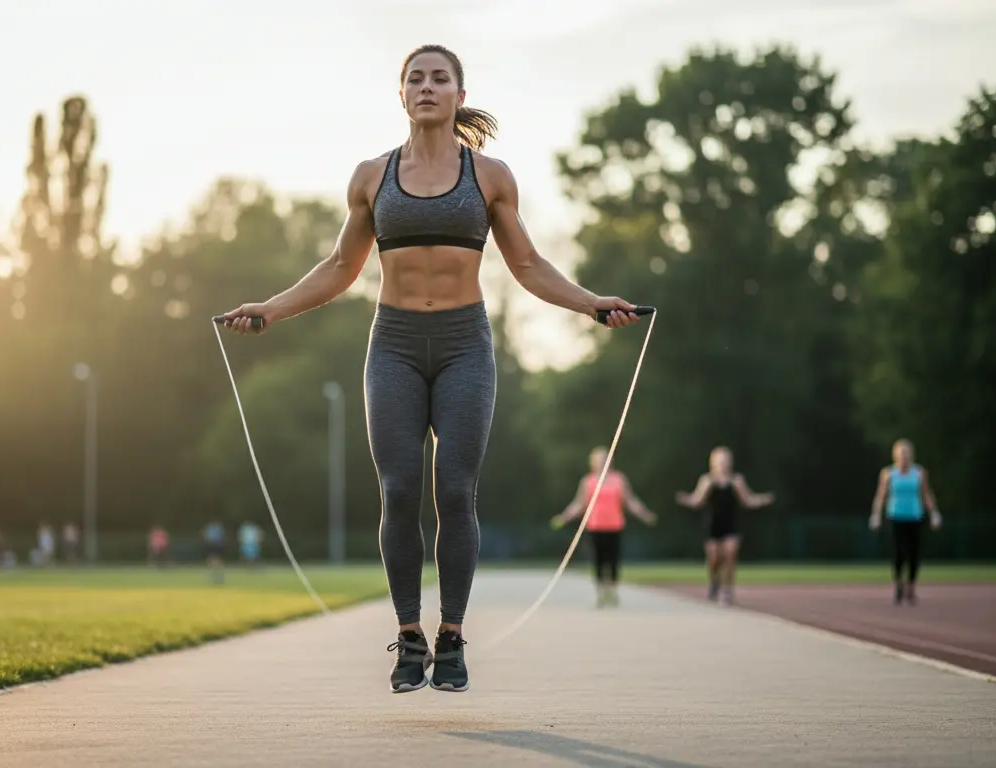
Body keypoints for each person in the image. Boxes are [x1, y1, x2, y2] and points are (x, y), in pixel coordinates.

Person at [218, 43, 643, 694]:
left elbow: (527, 266)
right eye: (414, 78)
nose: (426, 86)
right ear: (401, 96)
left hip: (464, 344)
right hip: (392, 345)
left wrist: (591, 304)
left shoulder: (491, 176)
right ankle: (410, 634)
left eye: (440, 78)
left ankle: (452, 638)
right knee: (398, 489)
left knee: (454, 491)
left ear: (459, 96)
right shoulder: (371, 176)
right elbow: (339, 268)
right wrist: (270, 311)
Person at [551, 447, 657, 607]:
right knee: (598, 559)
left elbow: (630, 501)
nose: (602, 462)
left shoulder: (619, 480)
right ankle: (601, 591)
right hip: (595, 526)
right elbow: (579, 504)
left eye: (605, 459)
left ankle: (612, 591)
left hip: (615, 526)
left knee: (613, 559)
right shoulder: (588, 481)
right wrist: (565, 516)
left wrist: (645, 514)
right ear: (593, 463)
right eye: (599, 460)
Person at [675, 447, 774, 605]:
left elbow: (748, 500)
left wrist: (762, 500)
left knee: (730, 553)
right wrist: (685, 500)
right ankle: (714, 582)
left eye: (725, 461)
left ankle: (728, 589)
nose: (723, 465)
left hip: (731, 524)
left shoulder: (736, 481)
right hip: (713, 524)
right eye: (720, 461)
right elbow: (697, 500)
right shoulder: (707, 480)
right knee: (714, 557)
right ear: (713, 463)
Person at [869, 439, 942, 605]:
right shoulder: (888, 473)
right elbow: (881, 496)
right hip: (895, 516)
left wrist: (934, 513)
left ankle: (911, 585)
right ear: (896, 455)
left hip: (915, 516)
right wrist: (876, 515)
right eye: (901, 454)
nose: (904, 457)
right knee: (898, 552)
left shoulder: (919, 473)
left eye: (907, 453)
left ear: (911, 455)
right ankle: (898, 583)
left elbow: (926, 494)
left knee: (914, 553)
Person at [203, 519, 227, 584]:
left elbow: (221, 537)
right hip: (211, 545)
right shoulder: (210, 528)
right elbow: (207, 536)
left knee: (216, 559)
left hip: (217, 545)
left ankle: (218, 574)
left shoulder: (218, 528)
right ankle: (212, 573)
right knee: (212, 558)